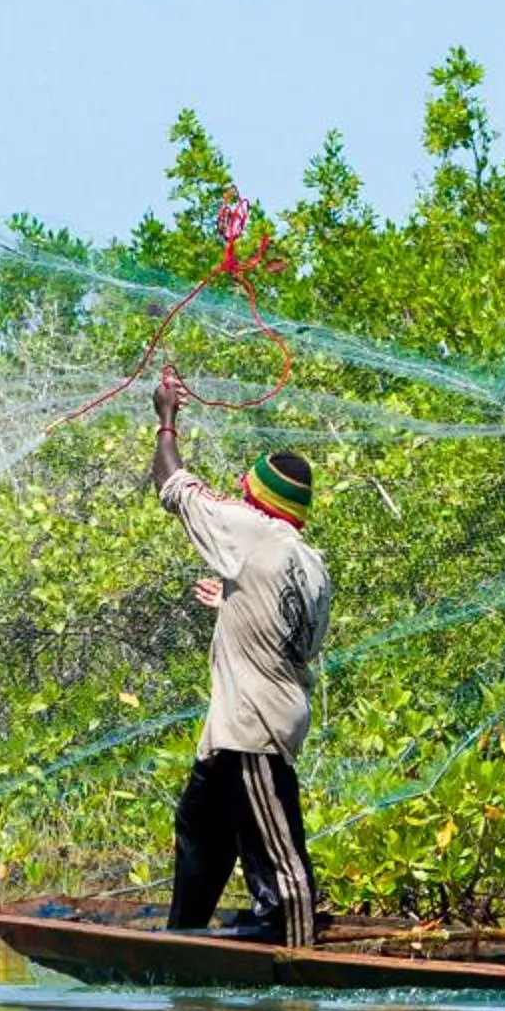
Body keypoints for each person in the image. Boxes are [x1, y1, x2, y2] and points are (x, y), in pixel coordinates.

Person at [149, 364, 333, 945]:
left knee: (280, 869)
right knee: (199, 831)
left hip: (252, 726)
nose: (237, 495)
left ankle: (297, 950)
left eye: (245, 491)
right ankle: (184, 944)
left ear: (259, 501)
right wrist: (232, 602)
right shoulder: (307, 560)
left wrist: (166, 420)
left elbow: (174, 488)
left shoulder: (252, 533)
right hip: (253, 718)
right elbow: (282, 634)